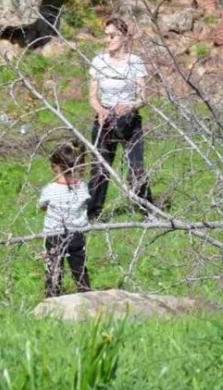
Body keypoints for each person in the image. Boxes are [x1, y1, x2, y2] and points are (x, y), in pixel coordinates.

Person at [87, 17, 153, 220]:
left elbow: (143, 96)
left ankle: (148, 210)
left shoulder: (135, 62)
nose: (108, 40)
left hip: (129, 120)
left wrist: (131, 105)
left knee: (136, 167)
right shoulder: (99, 61)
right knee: (100, 168)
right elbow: (92, 96)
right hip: (104, 120)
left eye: (112, 35)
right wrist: (99, 110)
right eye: (106, 36)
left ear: (124, 36)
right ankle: (92, 214)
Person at [39, 141, 92, 298]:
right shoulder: (82, 187)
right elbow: (86, 202)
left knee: (54, 268)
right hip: (76, 235)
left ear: (55, 167)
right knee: (79, 268)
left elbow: (42, 206)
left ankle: (52, 295)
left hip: (54, 235)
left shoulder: (50, 190)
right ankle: (85, 293)